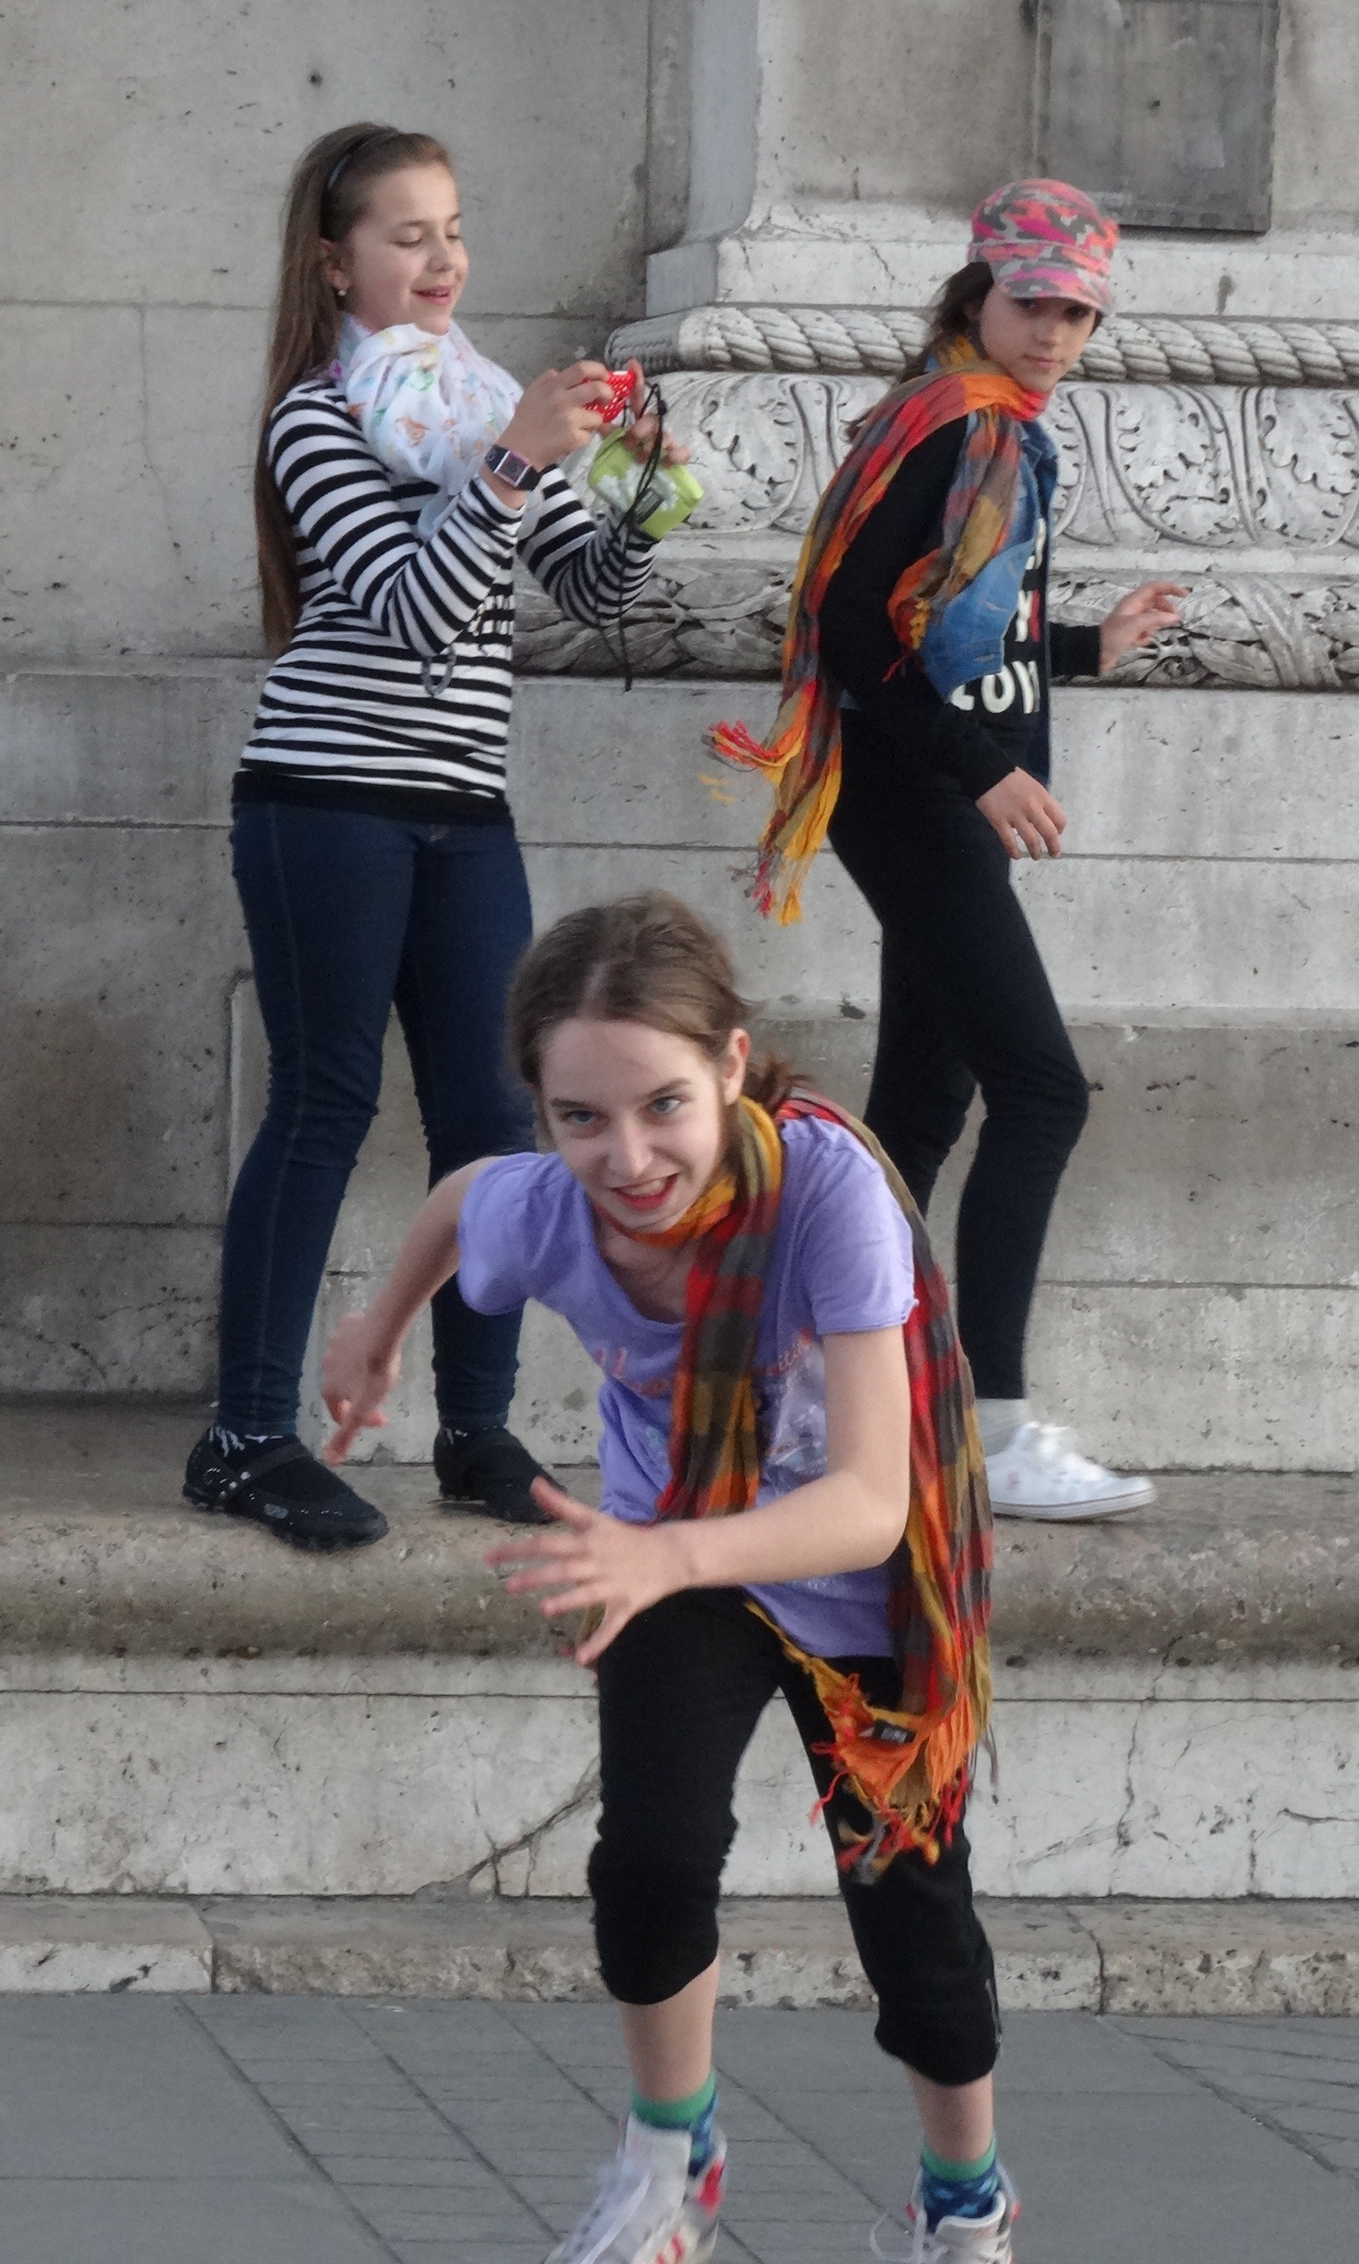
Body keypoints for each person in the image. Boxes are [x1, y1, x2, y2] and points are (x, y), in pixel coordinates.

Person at [320, 891, 1020, 2264]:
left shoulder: (828, 1194)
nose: (628, 1157)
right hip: (676, 1553)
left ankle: (964, 2202)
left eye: (663, 1106)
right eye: (579, 1117)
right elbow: (463, 1201)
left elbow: (868, 1504)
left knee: (914, 1926)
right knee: (647, 1862)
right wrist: (378, 1325)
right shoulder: (548, 1208)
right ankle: (670, 2161)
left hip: (854, 1576)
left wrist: (661, 1553)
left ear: (732, 1068)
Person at [183, 122, 681, 1551]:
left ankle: (475, 1434)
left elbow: (585, 587)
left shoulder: (476, 403)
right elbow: (409, 613)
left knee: (493, 1121)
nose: (443, 257)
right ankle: (243, 1438)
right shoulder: (316, 416)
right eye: (408, 235)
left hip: (466, 809)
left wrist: (645, 482)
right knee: (326, 1101)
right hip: (323, 800)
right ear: (335, 265)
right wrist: (515, 462)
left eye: (454, 229)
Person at [711, 178, 1185, 1522]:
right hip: (917, 792)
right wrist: (983, 771)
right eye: (1034, 304)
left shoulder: (980, 424)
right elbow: (853, 624)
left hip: (932, 790)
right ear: (979, 292)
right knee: (1044, 1092)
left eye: (1079, 315)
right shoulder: (955, 424)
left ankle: (808, 1399)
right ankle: (995, 1426)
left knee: (921, 1113)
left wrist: (1088, 647)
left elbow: (964, 629)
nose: (1055, 333)